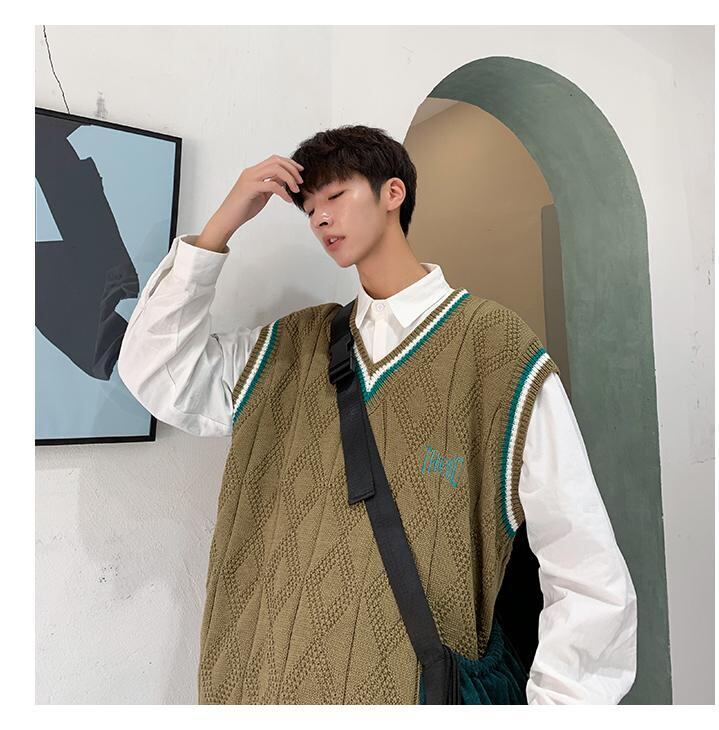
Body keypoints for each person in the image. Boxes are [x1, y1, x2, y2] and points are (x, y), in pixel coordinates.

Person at [118, 124, 637, 704]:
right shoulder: (291, 347)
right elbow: (156, 369)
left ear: (393, 192)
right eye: (309, 208)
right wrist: (221, 226)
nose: (321, 218)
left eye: (336, 196)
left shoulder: (495, 348)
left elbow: (587, 571)